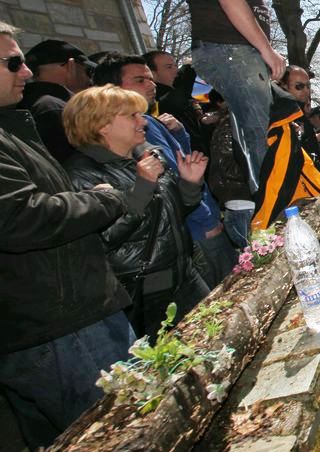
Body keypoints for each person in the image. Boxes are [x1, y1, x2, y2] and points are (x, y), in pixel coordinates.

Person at [0, 23, 134, 451]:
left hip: (76, 314)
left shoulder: (12, 131)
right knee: (122, 441)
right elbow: (21, 216)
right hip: (60, 328)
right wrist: (106, 200)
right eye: (14, 63)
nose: (26, 73)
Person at [62, 86, 211, 340]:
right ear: (101, 125)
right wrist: (142, 187)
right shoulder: (81, 175)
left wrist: (189, 184)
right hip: (147, 292)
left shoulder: (146, 155)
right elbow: (106, 236)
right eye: (132, 115)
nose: (143, 121)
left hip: (185, 273)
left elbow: (175, 212)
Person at [93, 53, 238, 284]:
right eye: (140, 80)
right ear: (111, 89)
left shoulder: (150, 121)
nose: (151, 85)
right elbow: (165, 190)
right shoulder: (129, 133)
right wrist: (205, 223)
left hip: (204, 223)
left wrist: (180, 133)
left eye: (150, 79)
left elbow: (186, 166)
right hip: (195, 233)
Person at [184, 0, 285, 195]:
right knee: (257, 133)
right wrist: (266, 50)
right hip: (230, 51)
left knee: (259, 128)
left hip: (235, 52)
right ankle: (271, 204)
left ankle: (273, 197)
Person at [19, 39, 96, 161]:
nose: (90, 80)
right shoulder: (57, 108)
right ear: (71, 66)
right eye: (88, 71)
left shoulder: (24, 102)